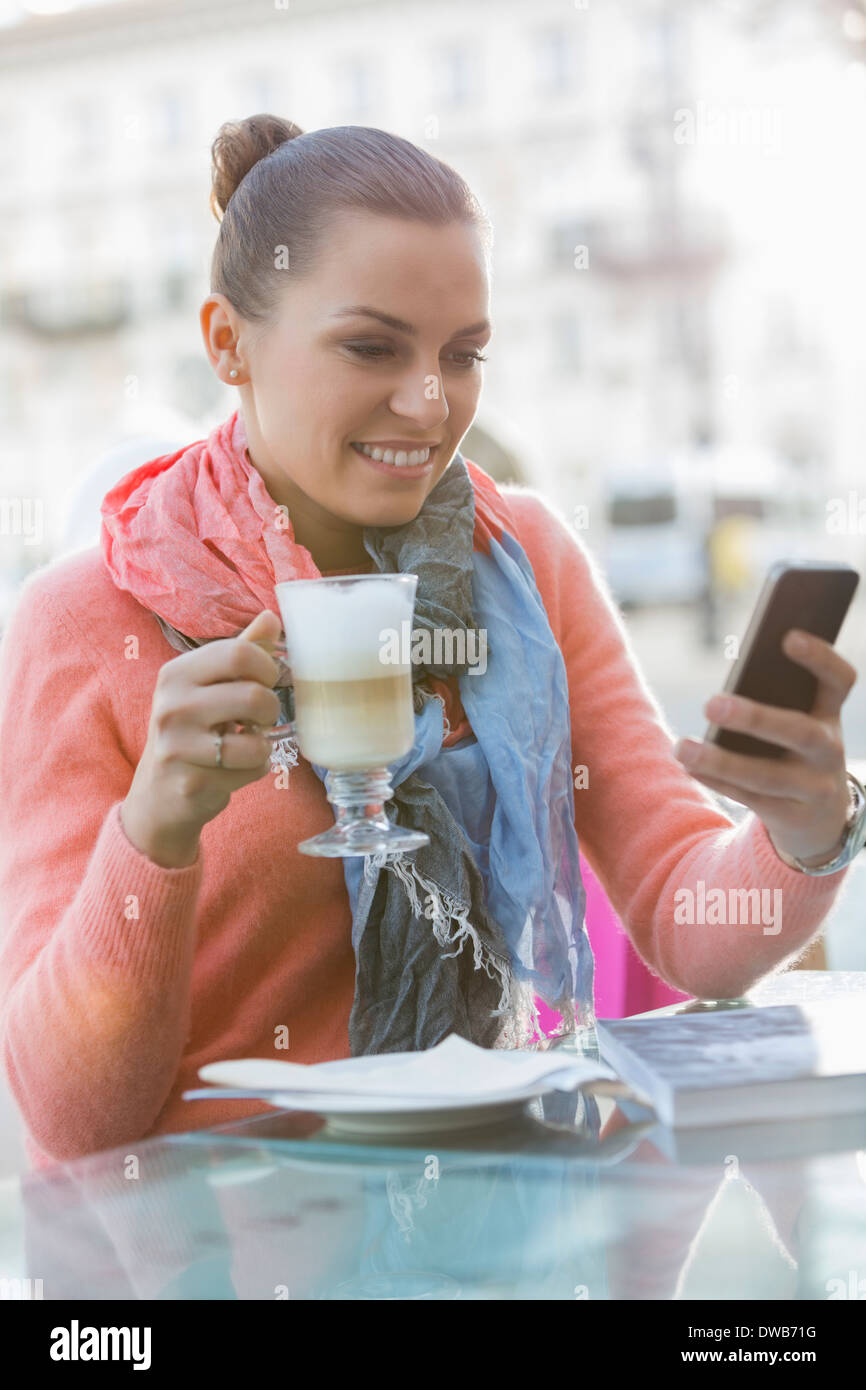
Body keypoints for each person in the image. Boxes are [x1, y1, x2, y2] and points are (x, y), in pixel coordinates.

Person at [0, 116, 858, 1172]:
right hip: (212, 1241)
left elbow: (686, 917)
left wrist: (800, 832)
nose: (429, 402)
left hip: (484, 1209)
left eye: (463, 355)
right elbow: (72, 1117)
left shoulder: (524, 557)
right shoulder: (88, 619)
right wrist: (154, 835)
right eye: (371, 346)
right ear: (227, 342)